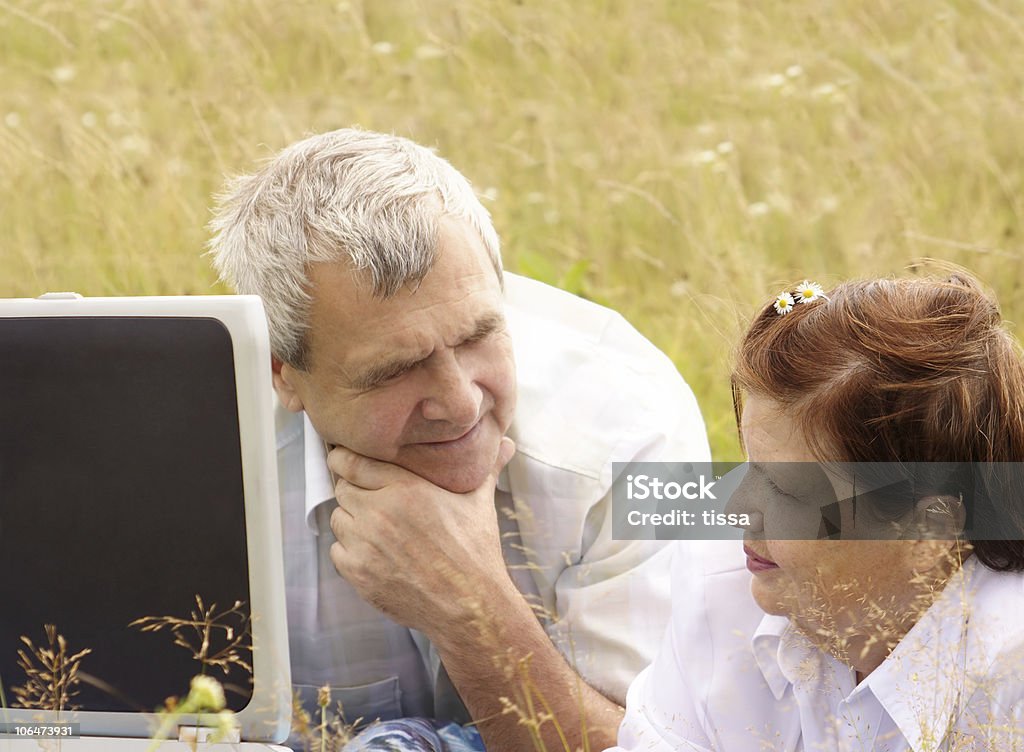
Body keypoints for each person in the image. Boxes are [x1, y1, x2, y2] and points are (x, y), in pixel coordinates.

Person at [206, 128, 711, 751]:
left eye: (478, 337)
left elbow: (664, 746)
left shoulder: (633, 428)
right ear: (284, 373)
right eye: (394, 370)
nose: (461, 402)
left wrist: (469, 606)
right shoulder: (197, 465)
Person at [611, 272, 1024, 751]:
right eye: (747, 463)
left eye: (785, 490)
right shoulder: (718, 584)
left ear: (928, 529)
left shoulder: (1011, 676)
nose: (734, 509)